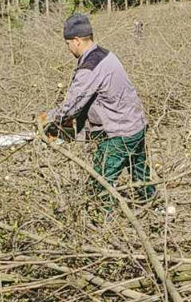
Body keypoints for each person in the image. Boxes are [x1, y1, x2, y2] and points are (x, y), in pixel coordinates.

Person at [41, 14, 155, 201]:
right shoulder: (105, 54)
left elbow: (71, 105)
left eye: (68, 44)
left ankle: (103, 225)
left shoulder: (90, 67)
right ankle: (155, 207)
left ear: (76, 40)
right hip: (136, 125)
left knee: (101, 184)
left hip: (119, 134)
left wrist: (48, 118)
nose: (68, 49)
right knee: (140, 174)